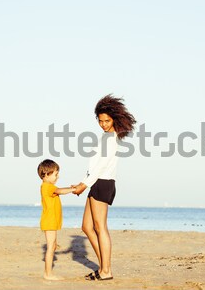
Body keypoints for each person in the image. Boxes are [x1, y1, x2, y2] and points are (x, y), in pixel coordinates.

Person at [72, 94, 136, 281]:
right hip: (96, 182)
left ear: (114, 119)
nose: (103, 124)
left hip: (103, 183)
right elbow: (94, 166)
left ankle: (106, 271)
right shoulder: (105, 136)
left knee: (101, 228)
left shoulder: (110, 138)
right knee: (87, 227)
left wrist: (84, 184)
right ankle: (104, 267)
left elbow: (101, 167)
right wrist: (83, 181)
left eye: (107, 120)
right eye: (100, 121)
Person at [38, 159, 74, 280]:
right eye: (55, 174)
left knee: (52, 246)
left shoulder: (48, 186)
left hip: (51, 221)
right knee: (50, 247)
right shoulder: (47, 187)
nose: (58, 177)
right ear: (46, 174)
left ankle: (48, 272)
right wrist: (73, 189)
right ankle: (48, 274)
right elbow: (60, 191)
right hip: (49, 222)